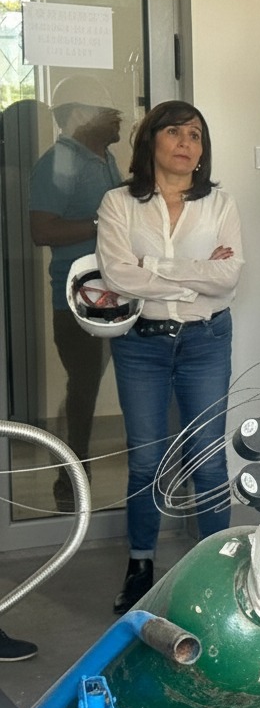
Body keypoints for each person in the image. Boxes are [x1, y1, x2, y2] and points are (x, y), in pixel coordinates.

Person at [96, 100, 243, 615]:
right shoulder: (119, 203)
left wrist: (154, 266)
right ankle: (140, 564)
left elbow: (229, 277)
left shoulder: (219, 203)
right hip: (141, 344)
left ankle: (219, 569)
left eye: (195, 135)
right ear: (151, 141)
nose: (186, 143)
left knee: (208, 457)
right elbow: (118, 276)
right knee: (146, 461)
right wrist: (196, 273)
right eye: (175, 132)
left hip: (206, 340)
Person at [29, 77, 123, 512]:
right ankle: (71, 477)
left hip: (117, 293)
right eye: (109, 112)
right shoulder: (58, 163)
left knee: (98, 383)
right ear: (80, 115)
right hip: (77, 298)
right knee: (83, 388)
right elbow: (42, 230)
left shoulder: (104, 157)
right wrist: (105, 223)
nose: (118, 119)